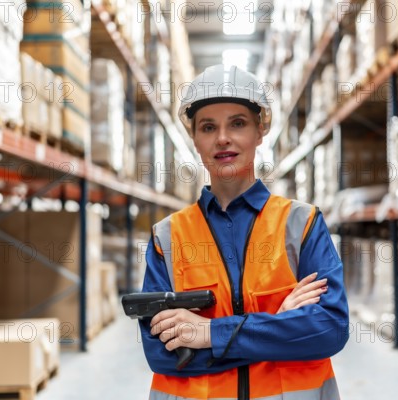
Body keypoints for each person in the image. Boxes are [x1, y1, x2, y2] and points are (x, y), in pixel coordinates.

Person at [139, 64, 349, 400]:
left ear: (260, 130)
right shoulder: (167, 237)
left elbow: (329, 330)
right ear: (194, 138)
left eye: (237, 123)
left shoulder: (302, 223)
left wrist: (209, 332)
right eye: (208, 127)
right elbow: (162, 354)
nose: (223, 138)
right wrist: (277, 325)